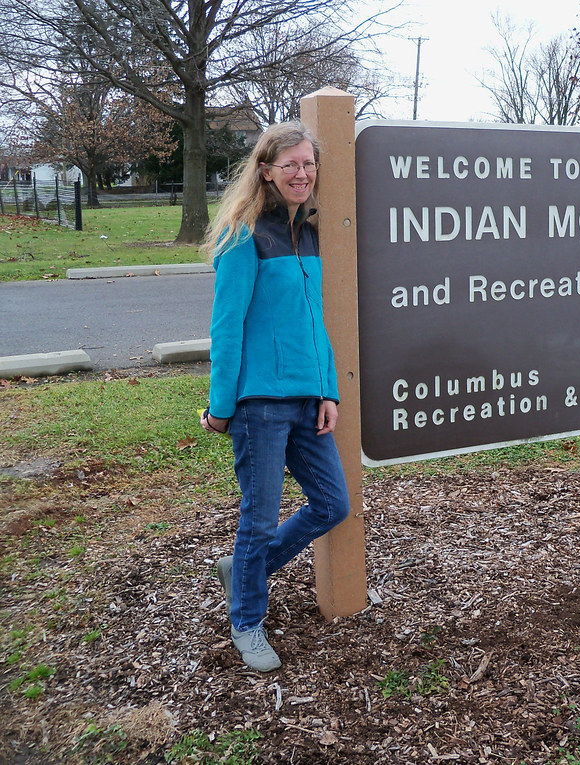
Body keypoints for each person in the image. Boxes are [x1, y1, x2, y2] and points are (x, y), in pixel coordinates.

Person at [199, 121, 349, 672]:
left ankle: (244, 572)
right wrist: (221, 407)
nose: (302, 173)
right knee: (259, 521)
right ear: (266, 171)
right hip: (258, 405)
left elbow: (316, 323)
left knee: (332, 504)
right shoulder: (243, 236)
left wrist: (327, 390)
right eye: (291, 165)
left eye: (309, 164)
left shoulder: (310, 232)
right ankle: (246, 621)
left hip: (308, 401)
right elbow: (227, 327)